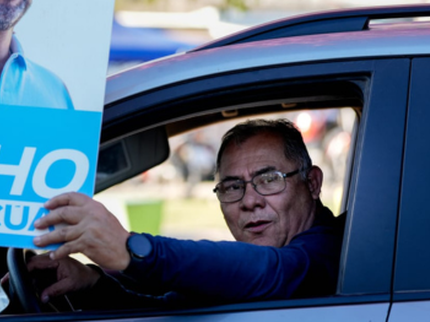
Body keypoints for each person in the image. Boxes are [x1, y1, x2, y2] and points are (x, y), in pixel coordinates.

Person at [29, 118, 344, 308]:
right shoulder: (251, 271)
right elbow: (168, 310)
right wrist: (90, 283)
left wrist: (131, 249)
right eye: (233, 187)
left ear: (312, 183)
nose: (250, 201)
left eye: (268, 180)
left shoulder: (330, 254)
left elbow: (271, 270)